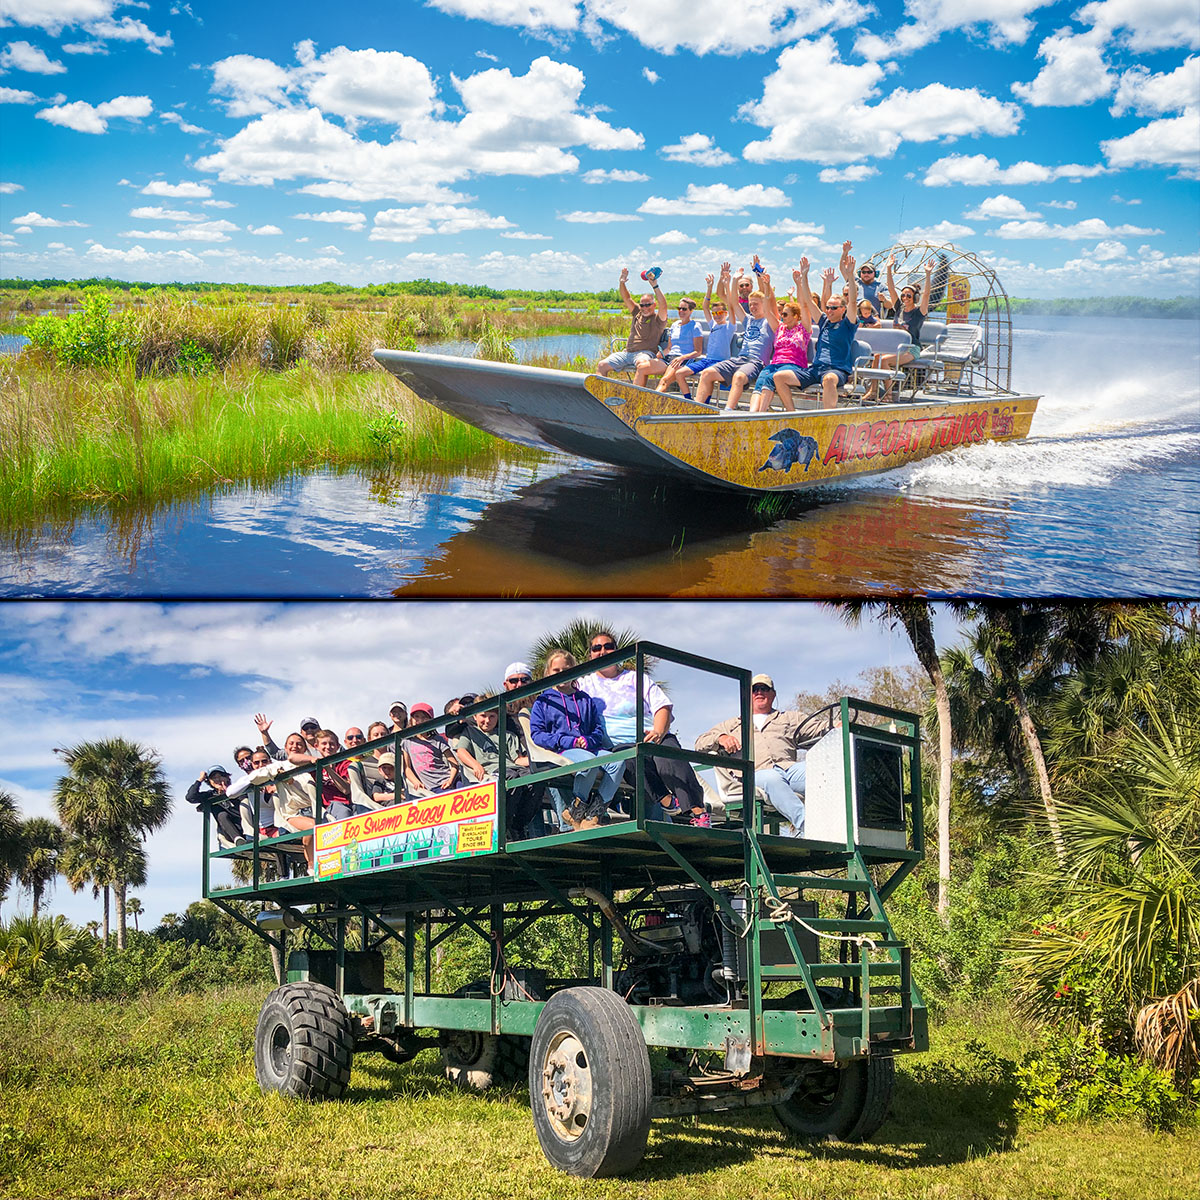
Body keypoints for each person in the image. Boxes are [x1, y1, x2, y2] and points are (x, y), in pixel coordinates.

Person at [580, 631, 709, 826]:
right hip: (618, 744)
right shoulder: (584, 684)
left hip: (650, 734)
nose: (603, 652)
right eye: (596, 648)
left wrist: (658, 732)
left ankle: (698, 813)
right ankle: (667, 802)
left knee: (670, 758)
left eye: (608, 646)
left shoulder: (635, 678)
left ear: (617, 651)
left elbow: (662, 706)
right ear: (590, 654)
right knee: (630, 761)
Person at [695, 675, 833, 837]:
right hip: (753, 775)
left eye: (764, 689)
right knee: (772, 778)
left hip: (789, 771)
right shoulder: (732, 724)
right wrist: (721, 738)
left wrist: (836, 725)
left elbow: (819, 728)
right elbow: (700, 743)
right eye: (754, 689)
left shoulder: (789, 718)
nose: (759, 692)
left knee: (823, 773)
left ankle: (842, 824)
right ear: (747, 696)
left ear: (773, 694)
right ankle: (810, 829)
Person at [529, 649, 623, 831]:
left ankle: (593, 814)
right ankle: (576, 811)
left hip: (588, 747)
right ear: (548, 673)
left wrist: (588, 740)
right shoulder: (543, 701)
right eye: (556, 670)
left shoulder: (584, 699)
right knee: (590, 762)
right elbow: (537, 735)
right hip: (562, 750)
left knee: (618, 762)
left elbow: (597, 729)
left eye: (567, 668)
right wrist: (568, 741)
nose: (562, 673)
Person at [453, 699, 547, 840]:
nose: (487, 720)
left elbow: (518, 760)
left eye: (492, 716)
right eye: (483, 716)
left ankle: (519, 824)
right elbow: (461, 751)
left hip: (513, 767)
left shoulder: (507, 735)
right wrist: (476, 765)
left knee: (536, 779)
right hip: (492, 770)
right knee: (510, 777)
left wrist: (542, 760)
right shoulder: (470, 732)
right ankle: (505, 825)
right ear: (475, 717)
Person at [693, 260, 776, 409]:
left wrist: (762, 278)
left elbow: (770, 300)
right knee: (706, 374)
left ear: (764, 304)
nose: (752, 306)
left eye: (756, 304)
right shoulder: (748, 320)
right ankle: (697, 410)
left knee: (738, 376)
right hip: (739, 359)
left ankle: (728, 411)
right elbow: (733, 303)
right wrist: (734, 280)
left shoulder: (769, 321)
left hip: (756, 362)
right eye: (751, 304)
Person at [784, 254, 859, 410]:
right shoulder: (824, 321)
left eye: (834, 308)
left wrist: (850, 276)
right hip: (816, 369)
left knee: (829, 380)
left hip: (836, 370)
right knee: (779, 377)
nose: (829, 311)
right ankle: (791, 413)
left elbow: (852, 301)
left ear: (842, 309)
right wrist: (804, 276)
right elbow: (808, 301)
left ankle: (828, 416)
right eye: (828, 308)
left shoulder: (848, 324)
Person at [862, 254, 935, 402]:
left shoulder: (919, 312)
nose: (905, 298)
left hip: (911, 349)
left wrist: (928, 274)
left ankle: (889, 394)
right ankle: (873, 390)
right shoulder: (899, 308)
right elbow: (890, 288)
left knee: (883, 360)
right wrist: (888, 268)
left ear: (914, 298)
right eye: (903, 296)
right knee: (876, 357)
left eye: (908, 296)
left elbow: (927, 294)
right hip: (895, 347)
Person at [749, 261, 819, 413]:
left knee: (769, 378)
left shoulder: (803, 329)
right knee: (762, 379)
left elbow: (804, 306)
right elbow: (767, 309)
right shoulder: (779, 328)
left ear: (795, 316)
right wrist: (766, 285)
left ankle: (760, 415)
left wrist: (799, 284)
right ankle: (753, 413)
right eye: (782, 314)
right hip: (776, 364)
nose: (782, 316)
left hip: (793, 366)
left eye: (785, 314)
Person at [669, 264, 738, 401]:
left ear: (725, 313)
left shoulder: (730, 326)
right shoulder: (713, 324)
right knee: (680, 373)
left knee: (707, 375)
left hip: (720, 362)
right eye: (715, 313)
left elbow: (731, 306)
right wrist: (709, 288)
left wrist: (727, 284)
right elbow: (705, 307)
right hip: (707, 360)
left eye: (720, 313)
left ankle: (703, 403)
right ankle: (689, 400)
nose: (717, 315)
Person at [597, 267, 668, 377]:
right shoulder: (637, 312)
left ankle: (637, 392)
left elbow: (663, 305)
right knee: (602, 365)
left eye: (648, 305)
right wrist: (622, 282)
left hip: (645, 353)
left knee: (642, 364)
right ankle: (599, 393)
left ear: (654, 305)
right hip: (627, 353)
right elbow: (627, 298)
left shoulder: (658, 319)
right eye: (642, 305)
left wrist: (655, 286)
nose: (644, 308)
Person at [633, 296, 702, 387]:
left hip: (683, 360)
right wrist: (662, 353)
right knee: (641, 368)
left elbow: (698, 351)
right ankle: (636, 398)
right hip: (668, 358)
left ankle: (656, 400)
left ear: (691, 311)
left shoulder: (695, 326)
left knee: (664, 381)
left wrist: (682, 358)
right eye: (679, 308)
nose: (681, 311)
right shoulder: (674, 325)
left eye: (684, 309)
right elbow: (669, 348)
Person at [402, 702, 464, 795]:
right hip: (434, 786)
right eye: (416, 716)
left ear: (430, 720)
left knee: (467, 793)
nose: (420, 720)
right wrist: (416, 782)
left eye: (424, 717)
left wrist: (450, 780)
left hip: (449, 779)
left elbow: (454, 763)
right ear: (411, 719)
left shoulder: (437, 739)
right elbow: (407, 768)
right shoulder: (407, 742)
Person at [185, 766, 244, 846]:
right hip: (229, 834)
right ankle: (237, 838)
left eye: (220, 776)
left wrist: (228, 794)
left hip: (243, 826)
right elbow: (190, 797)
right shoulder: (210, 795)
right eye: (214, 778)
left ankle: (241, 838)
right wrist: (200, 779)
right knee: (221, 813)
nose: (218, 780)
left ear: (227, 778)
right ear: (210, 782)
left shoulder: (237, 789)